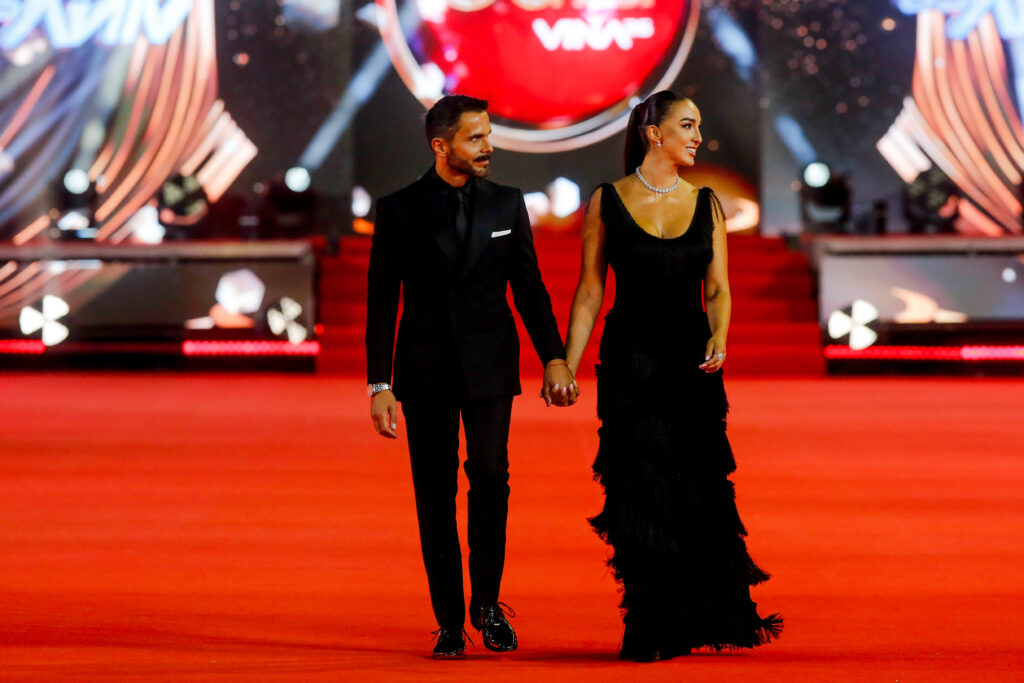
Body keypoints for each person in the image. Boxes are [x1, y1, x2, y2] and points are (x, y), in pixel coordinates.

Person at [560, 90, 782, 661]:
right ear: (654, 133)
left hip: (691, 366)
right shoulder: (607, 200)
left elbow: (718, 288)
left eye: (698, 126)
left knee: (695, 490)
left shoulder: (707, 204)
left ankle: (694, 616)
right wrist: (566, 363)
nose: (698, 137)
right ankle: (648, 620)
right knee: (638, 491)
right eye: (687, 125)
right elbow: (589, 292)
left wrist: (720, 335)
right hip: (630, 365)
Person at [365, 95, 577, 659]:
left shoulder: (508, 203)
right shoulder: (399, 209)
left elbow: (529, 287)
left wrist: (554, 357)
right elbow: (381, 301)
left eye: (488, 135)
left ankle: (487, 604)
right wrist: (379, 385)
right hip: (423, 371)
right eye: (476, 138)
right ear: (442, 146)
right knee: (434, 495)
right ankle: (449, 621)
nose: (489, 147)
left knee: (490, 477)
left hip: (490, 366)